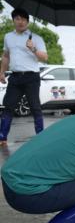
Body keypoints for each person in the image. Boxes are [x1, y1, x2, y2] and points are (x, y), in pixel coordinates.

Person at [0, 8, 48, 146]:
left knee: (35, 107)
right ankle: (2, 137)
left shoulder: (36, 38)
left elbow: (45, 58)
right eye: (17, 19)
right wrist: (2, 72)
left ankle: (40, 136)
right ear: (13, 20)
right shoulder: (8, 37)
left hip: (31, 77)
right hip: (15, 78)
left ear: (27, 21)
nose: (20, 22)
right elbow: (6, 56)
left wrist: (33, 49)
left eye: (23, 19)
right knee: (8, 106)